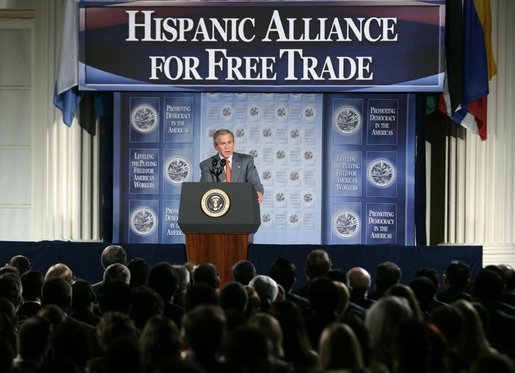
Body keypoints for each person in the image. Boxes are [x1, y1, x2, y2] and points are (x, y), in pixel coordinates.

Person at [199, 128, 264, 203]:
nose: (227, 147)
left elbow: (255, 183)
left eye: (229, 142)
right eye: (223, 143)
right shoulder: (207, 165)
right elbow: (206, 189)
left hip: (242, 203)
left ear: (234, 143)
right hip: (219, 205)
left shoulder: (246, 161)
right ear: (216, 147)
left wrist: (258, 192)